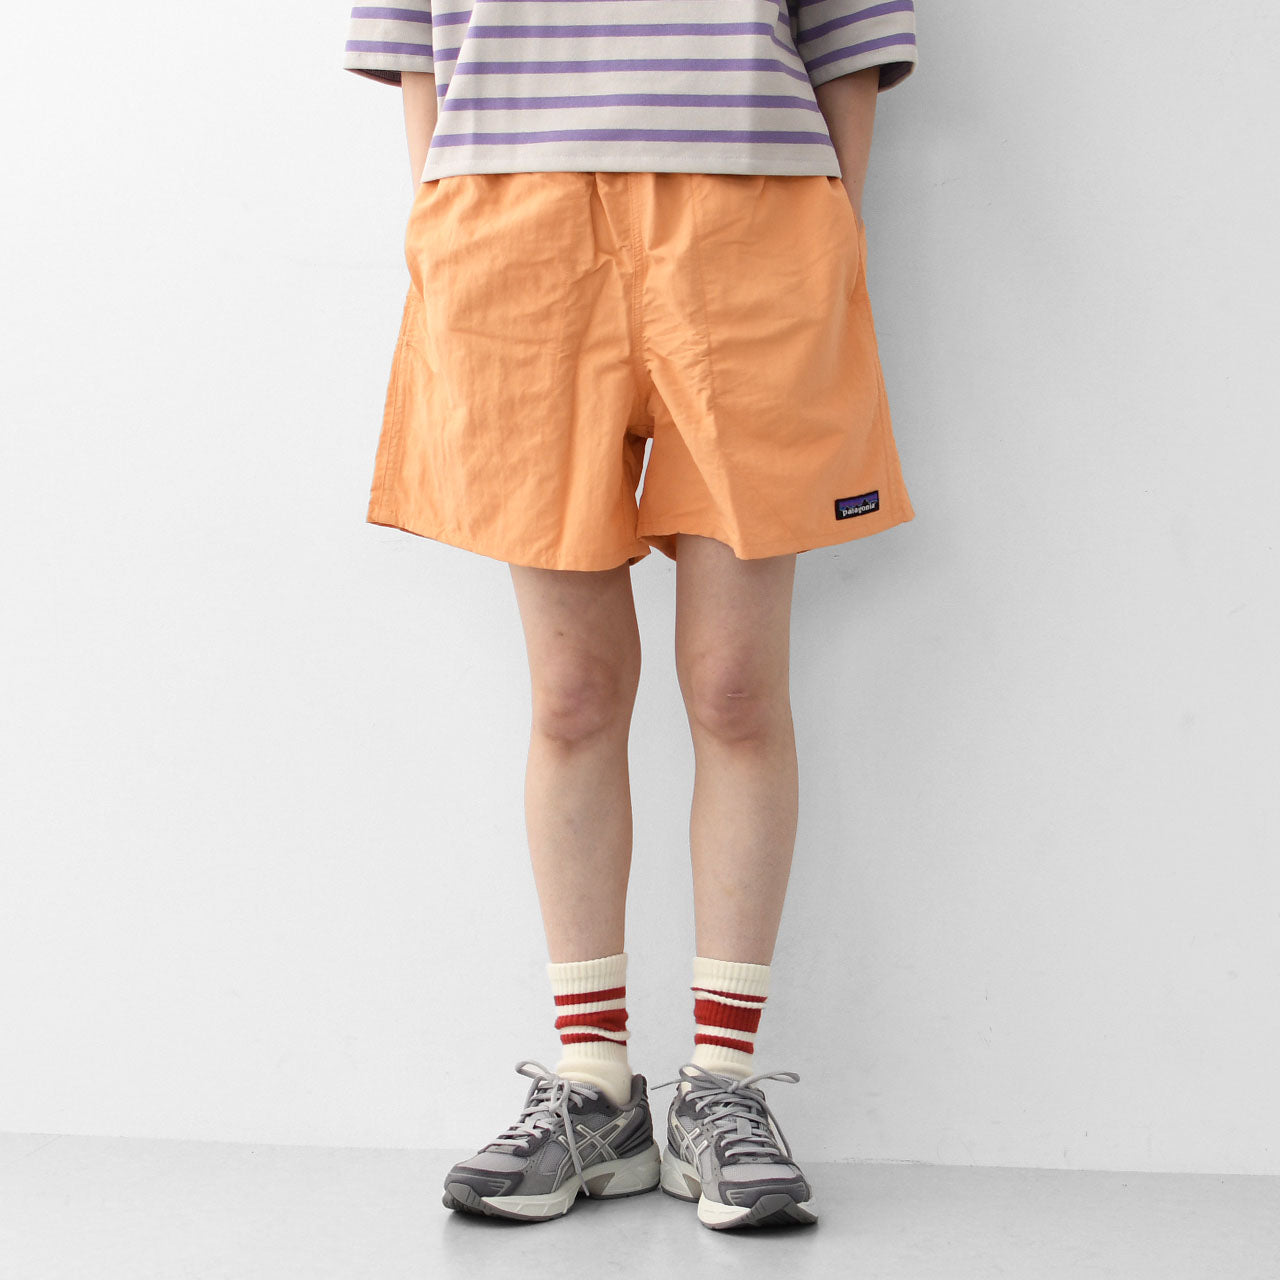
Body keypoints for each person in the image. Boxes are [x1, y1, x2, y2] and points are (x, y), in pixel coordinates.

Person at [342, 0, 918, 1231]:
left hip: (752, 218)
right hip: (511, 222)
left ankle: (720, 1082)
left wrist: (831, 231)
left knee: (733, 685)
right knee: (572, 692)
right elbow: (408, 39)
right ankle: (592, 1084)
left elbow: (851, 37)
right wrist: (439, 215)